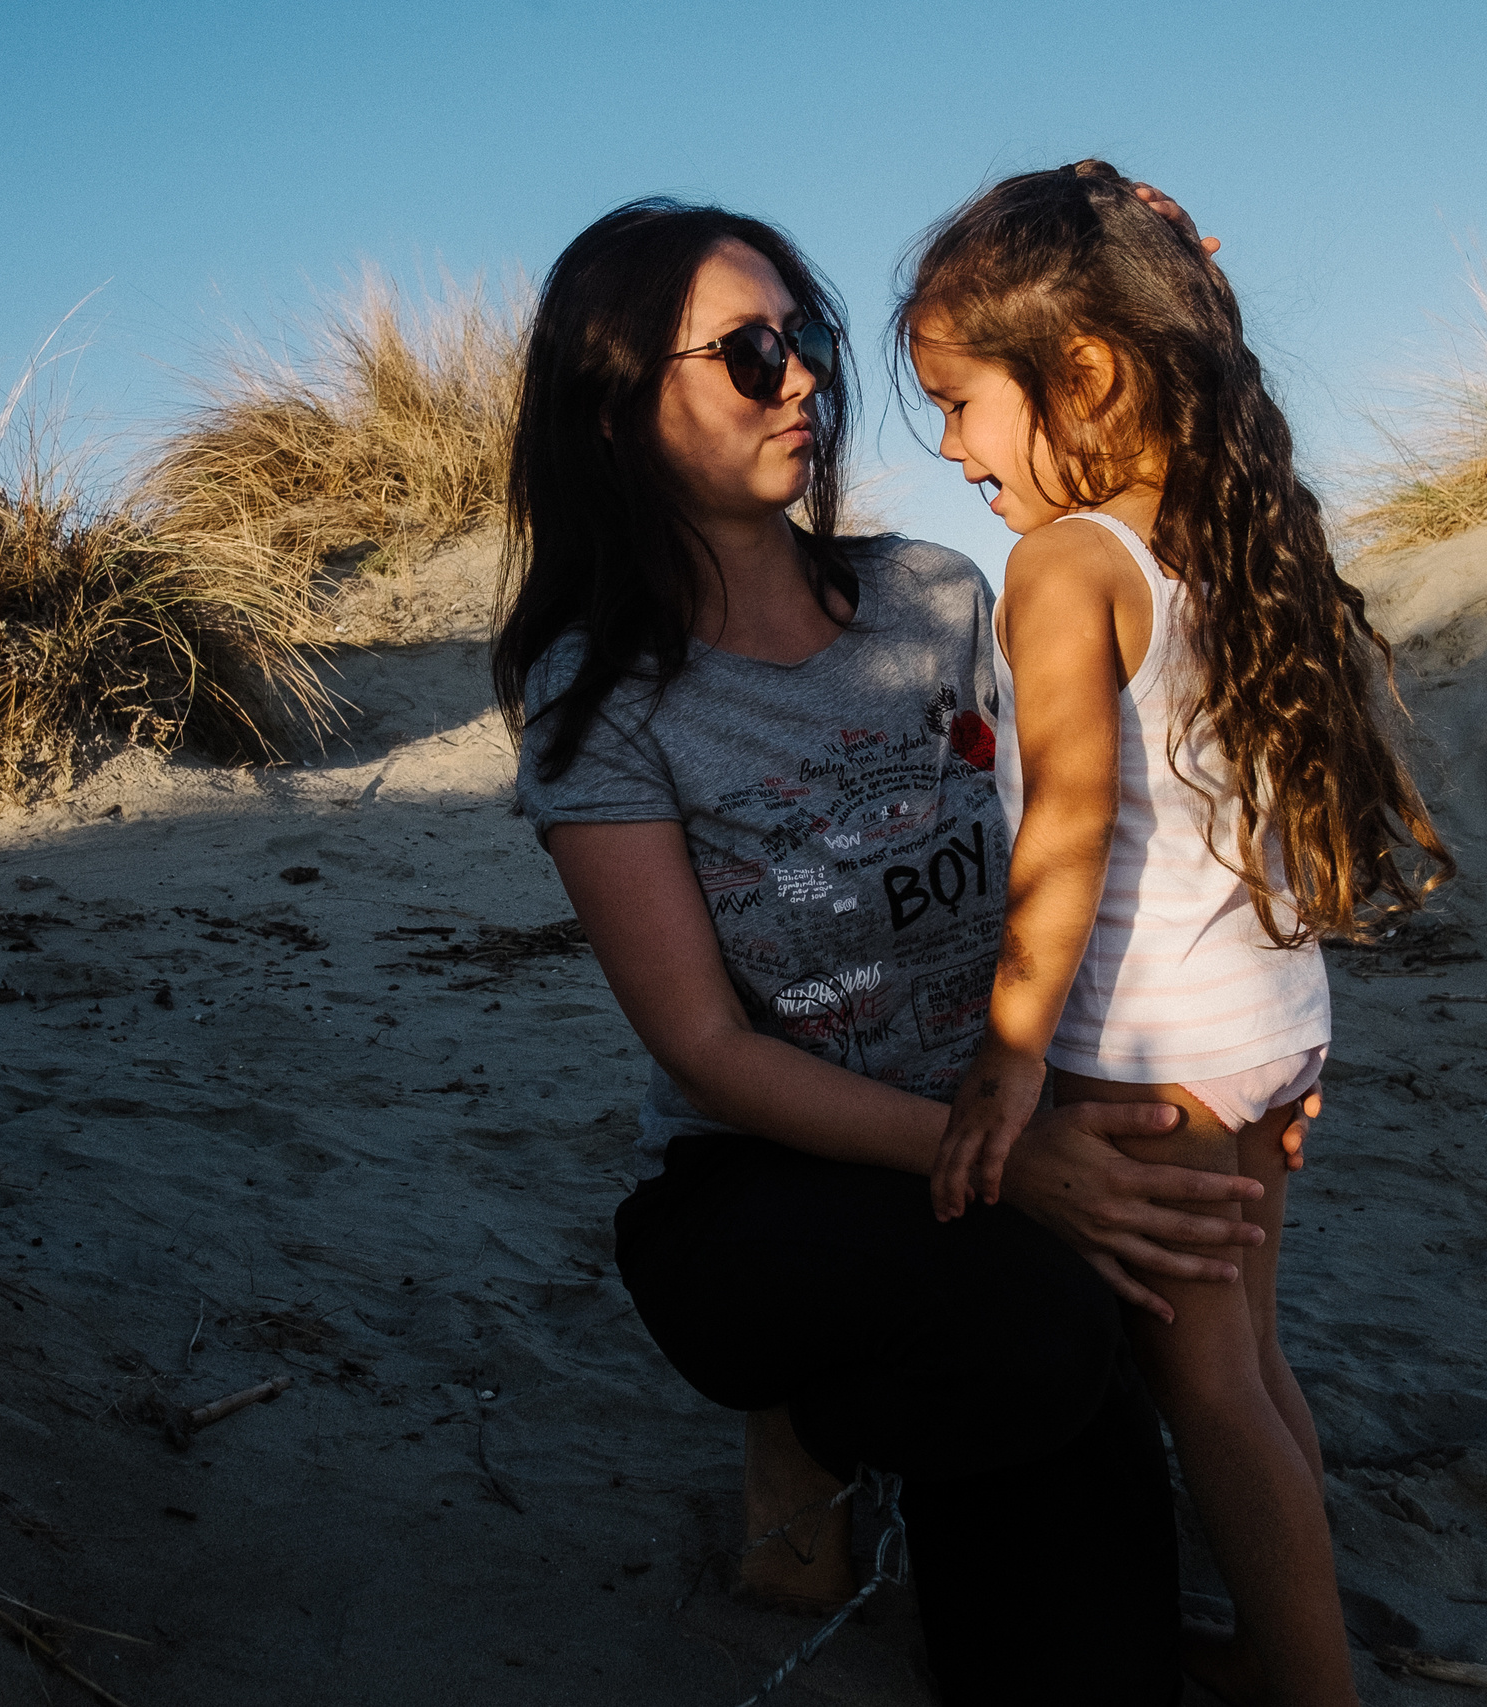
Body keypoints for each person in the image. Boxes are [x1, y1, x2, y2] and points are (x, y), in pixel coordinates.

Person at [493, 194, 1314, 1703]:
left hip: (1000, 1129)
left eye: (805, 336)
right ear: (614, 412)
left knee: (1111, 1561)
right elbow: (706, 1050)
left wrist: (1234, 1056)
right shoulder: (600, 696)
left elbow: (1115, 820)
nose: (805, 374)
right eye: (749, 353)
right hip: (768, 1182)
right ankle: (806, 1425)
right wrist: (1015, 1163)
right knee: (1035, 1323)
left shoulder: (934, 596)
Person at [906, 162, 1453, 1705]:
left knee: (1204, 1381)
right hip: (1268, 1025)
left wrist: (1009, 1062)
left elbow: (1068, 830)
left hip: (1152, 1052)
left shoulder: (1067, 561)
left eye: (960, 403)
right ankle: (1287, 1642)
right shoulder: (1229, 539)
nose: (947, 447)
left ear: (1081, 373)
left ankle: (1312, 1684)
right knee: (1254, 1357)